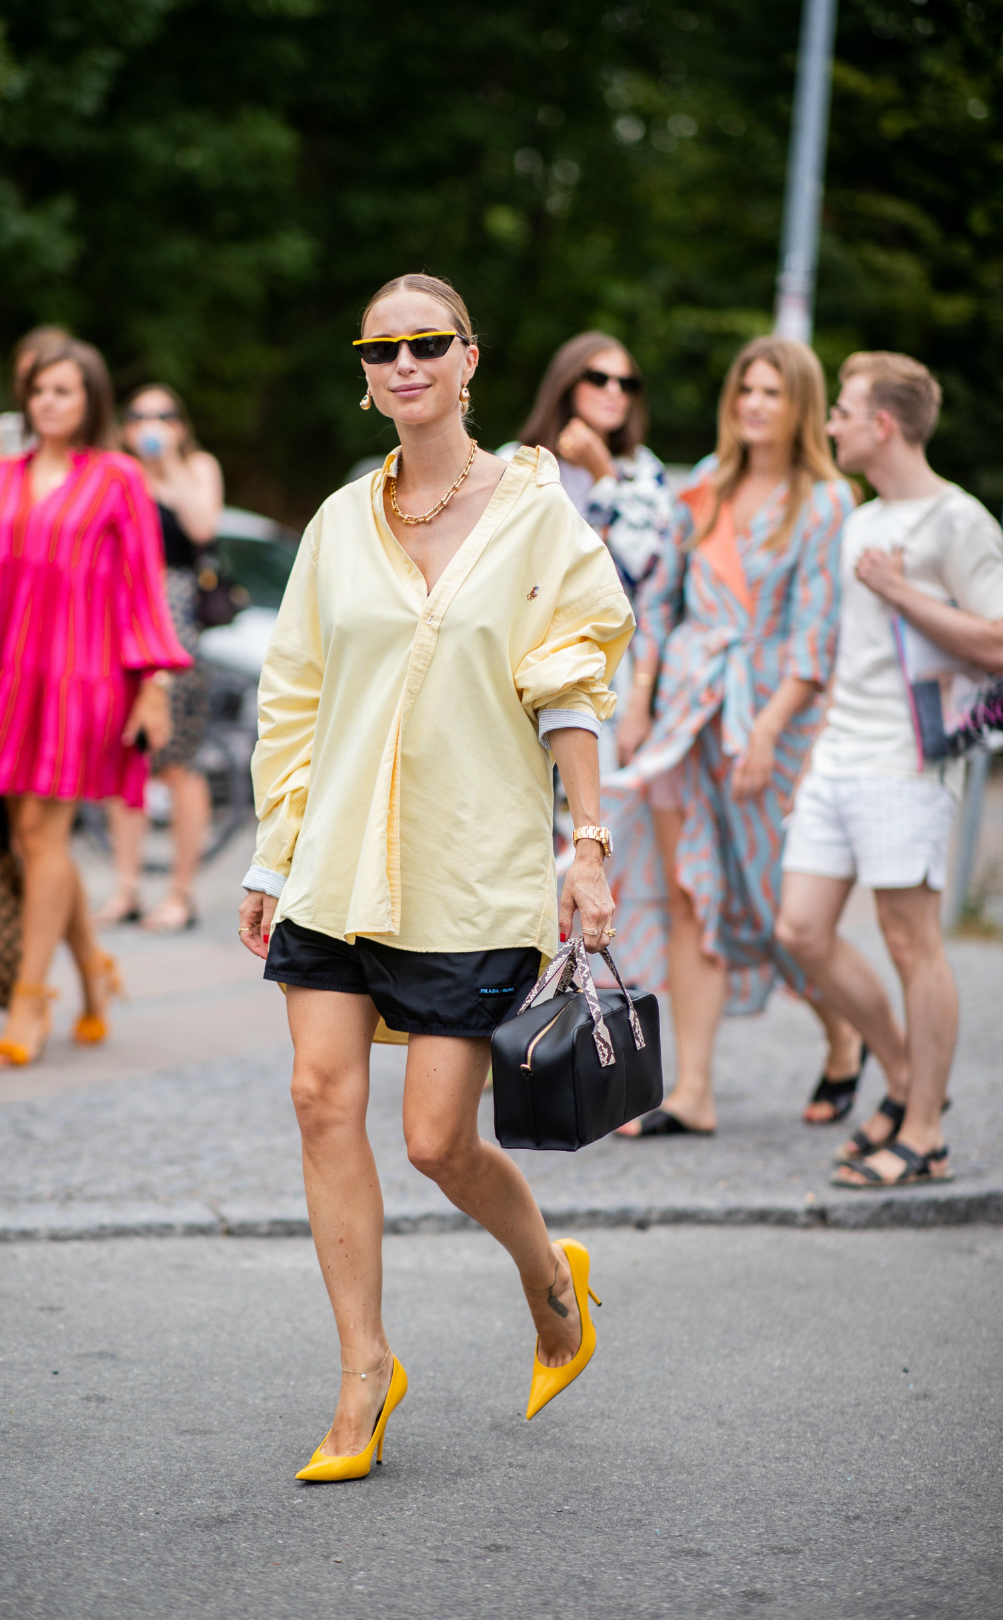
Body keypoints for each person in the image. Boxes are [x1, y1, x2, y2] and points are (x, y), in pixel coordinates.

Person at [238, 272, 634, 1481]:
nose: (403, 363)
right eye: (381, 348)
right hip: (336, 863)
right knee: (319, 1097)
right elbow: (294, 699)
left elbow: (571, 686)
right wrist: (271, 854)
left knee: (435, 1142)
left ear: (469, 358)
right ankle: (364, 1372)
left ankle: (550, 1276)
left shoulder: (534, 516)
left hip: (471, 870)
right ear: (365, 376)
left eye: (426, 342)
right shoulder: (336, 523)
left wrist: (587, 848)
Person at [607, 336, 858, 1138]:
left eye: (772, 392)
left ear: (801, 405)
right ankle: (693, 1091)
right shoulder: (704, 487)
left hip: (773, 725)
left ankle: (846, 1035)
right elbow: (659, 607)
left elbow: (818, 635)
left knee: (779, 906)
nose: (753, 404)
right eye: (745, 389)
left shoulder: (826, 502)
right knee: (690, 893)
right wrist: (639, 701)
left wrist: (770, 731)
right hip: (685, 718)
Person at [775, 352, 1003, 1189]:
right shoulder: (861, 522)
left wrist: (903, 592)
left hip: (910, 763)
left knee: (911, 943)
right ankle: (905, 1081)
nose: (831, 423)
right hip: (841, 753)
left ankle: (926, 1134)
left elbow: (997, 641)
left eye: (843, 411)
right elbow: (854, 652)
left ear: (882, 424)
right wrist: (817, 746)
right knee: (800, 930)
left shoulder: (958, 521)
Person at [0, 336, 190, 1068]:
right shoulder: (0, 476)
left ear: (90, 401)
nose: (47, 402)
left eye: (63, 391)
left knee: (40, 835)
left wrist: (154, 686)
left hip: (82, 678)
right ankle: (93, 973)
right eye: (40, 390)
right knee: (33, 839)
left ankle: (29, 1001)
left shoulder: (117, 476)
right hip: (5, 679)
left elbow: (143, 585)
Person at [98, 385, 224, 931]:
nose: (150, 424)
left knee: (177, 762)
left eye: (164, 416)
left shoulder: (196, 467)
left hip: (176, 626)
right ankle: (126, 887)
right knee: (123, 759)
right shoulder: (114, 472)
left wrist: (167, 464)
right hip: (118, 623)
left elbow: (202, 527)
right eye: (139, 416)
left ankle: (180, 893)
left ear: (180, 425)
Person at [516, 332, 672, 767]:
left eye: (627, 383)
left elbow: (642, 572)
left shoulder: (644, 472)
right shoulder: (520, 464)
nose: (614, 391)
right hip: (525, 655)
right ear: (567, 383)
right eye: (599, 378)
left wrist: (603, 473)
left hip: (609, 666)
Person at [0, 326, 70, 471]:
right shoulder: (2, 430)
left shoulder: (89, 435)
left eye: (37, 377)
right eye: (23, 378)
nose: (29, 387)